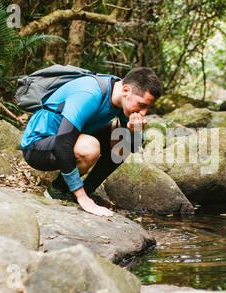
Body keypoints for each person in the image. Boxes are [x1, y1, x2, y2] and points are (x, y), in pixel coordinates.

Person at [20, 67, 162, 217]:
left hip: (74, 136)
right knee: (90, 147)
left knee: (122, 138)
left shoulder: (120, 94)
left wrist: (135, 130)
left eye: (148, 108)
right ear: (126, 90)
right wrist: (81, 197)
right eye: (142, 105)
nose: (144, 113)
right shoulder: (90, 93)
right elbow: (63, 144)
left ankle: (86, 191)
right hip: (37, 145)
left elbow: (132, 147)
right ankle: (58, 190)